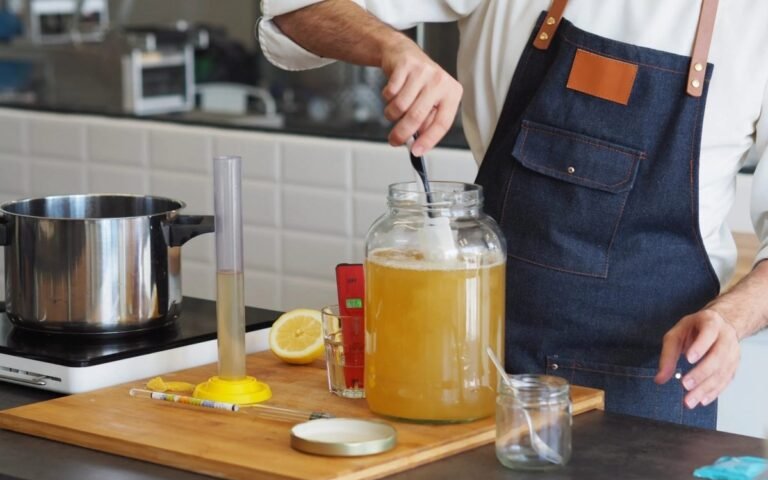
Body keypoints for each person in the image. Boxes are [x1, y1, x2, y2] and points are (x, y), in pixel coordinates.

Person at [259, 0, 768, 428]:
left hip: (648, 398)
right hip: (477, 377)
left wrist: (731, 317)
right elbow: (292, 12)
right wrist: (394, 47)